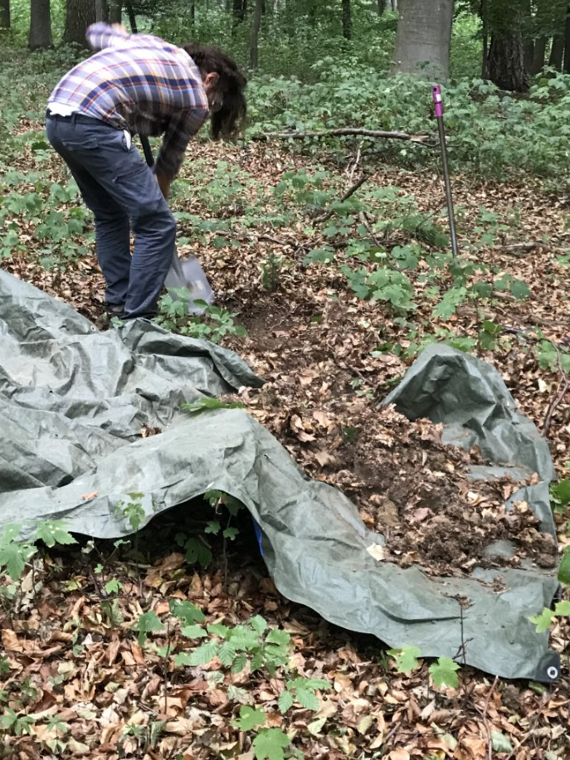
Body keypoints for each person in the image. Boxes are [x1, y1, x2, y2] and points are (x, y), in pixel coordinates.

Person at [46, 23, 246, 320]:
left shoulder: (151, 45)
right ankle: (137, 319)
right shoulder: (195, 97)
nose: (210, 109)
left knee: (111, 213)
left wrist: (118, 31)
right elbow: (166, 164)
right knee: (158, 226)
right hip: (95, 121)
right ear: (210, 79)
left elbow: (95, 33)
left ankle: (120, 302)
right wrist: (157, 211)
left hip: (58, 117)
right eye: (216, 104)